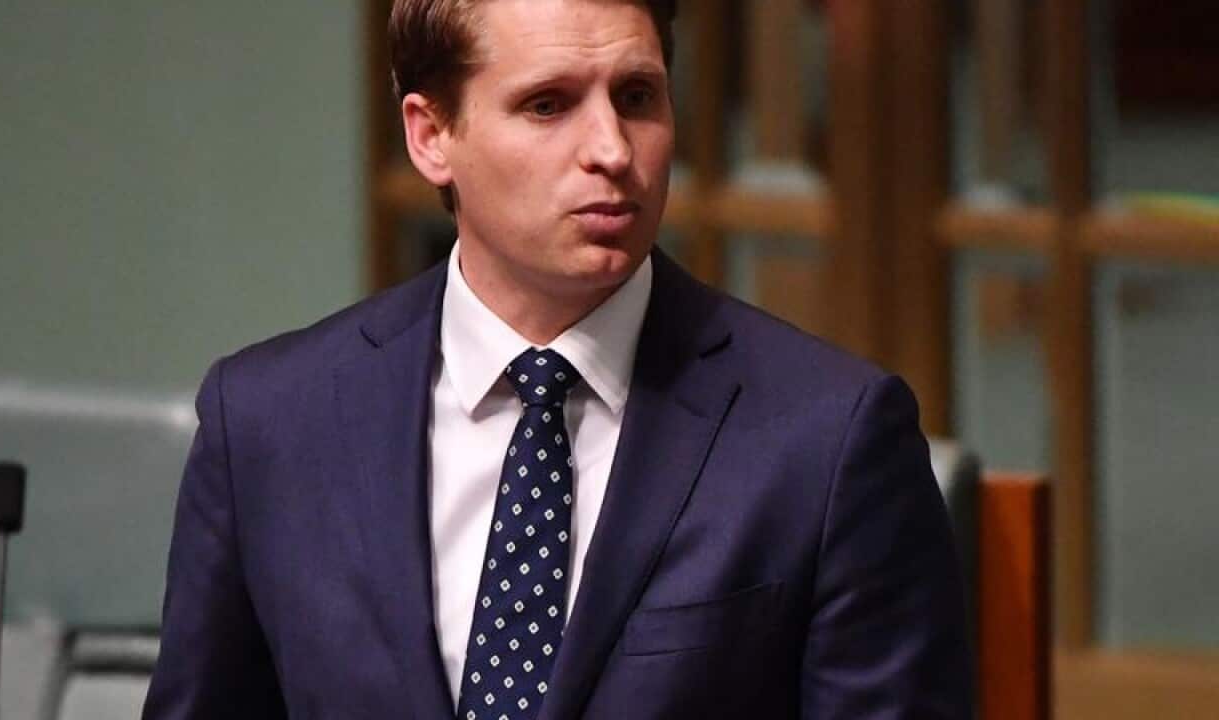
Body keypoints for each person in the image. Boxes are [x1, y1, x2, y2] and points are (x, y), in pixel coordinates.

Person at [142, 0, 972, 718]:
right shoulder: (268, 422)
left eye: (638, 97)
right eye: (548, 105)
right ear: (432, 136)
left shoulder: (828, 441)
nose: (612, 149)